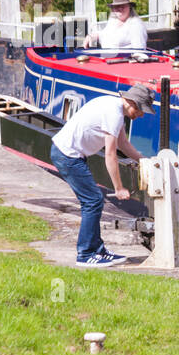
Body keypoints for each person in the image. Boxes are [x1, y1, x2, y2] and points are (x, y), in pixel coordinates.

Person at [49, 85, 155, 266]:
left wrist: (143, 160)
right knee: (93, 201)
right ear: (132, 103)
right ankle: (85, 254)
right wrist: (119, 188)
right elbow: (110, 154)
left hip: (71, 154)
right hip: (67, 155)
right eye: (140, 110)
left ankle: (97, 249)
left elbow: (123, 143)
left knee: (93, 201)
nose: (141, 115)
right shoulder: (114, 114)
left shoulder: (114, 107)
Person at [83, 0, 148, 50]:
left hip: (124, 62)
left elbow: (139, 50)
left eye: (123, 6)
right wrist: (91, 36)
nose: (120, 8)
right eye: (116, 6)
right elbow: (104, 35)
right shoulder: (113, 21)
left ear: (129, 7)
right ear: (113, 8)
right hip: (106, 59)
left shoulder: (136, 25)